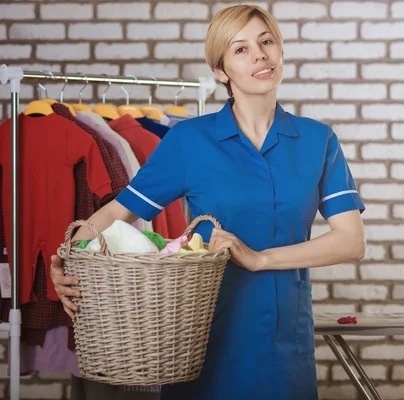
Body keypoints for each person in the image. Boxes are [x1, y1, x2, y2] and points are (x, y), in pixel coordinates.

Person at [50, 4, 366, 399]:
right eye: (241, 49)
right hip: (202, 342)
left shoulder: (319, 141)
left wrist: (259, 258)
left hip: (284, 344)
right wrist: (68, 254)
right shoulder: (188, 141)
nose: (260, 55)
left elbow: (351, 241)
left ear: (281, 50)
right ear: (220, 71)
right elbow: (119, 211)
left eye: (266, 42)